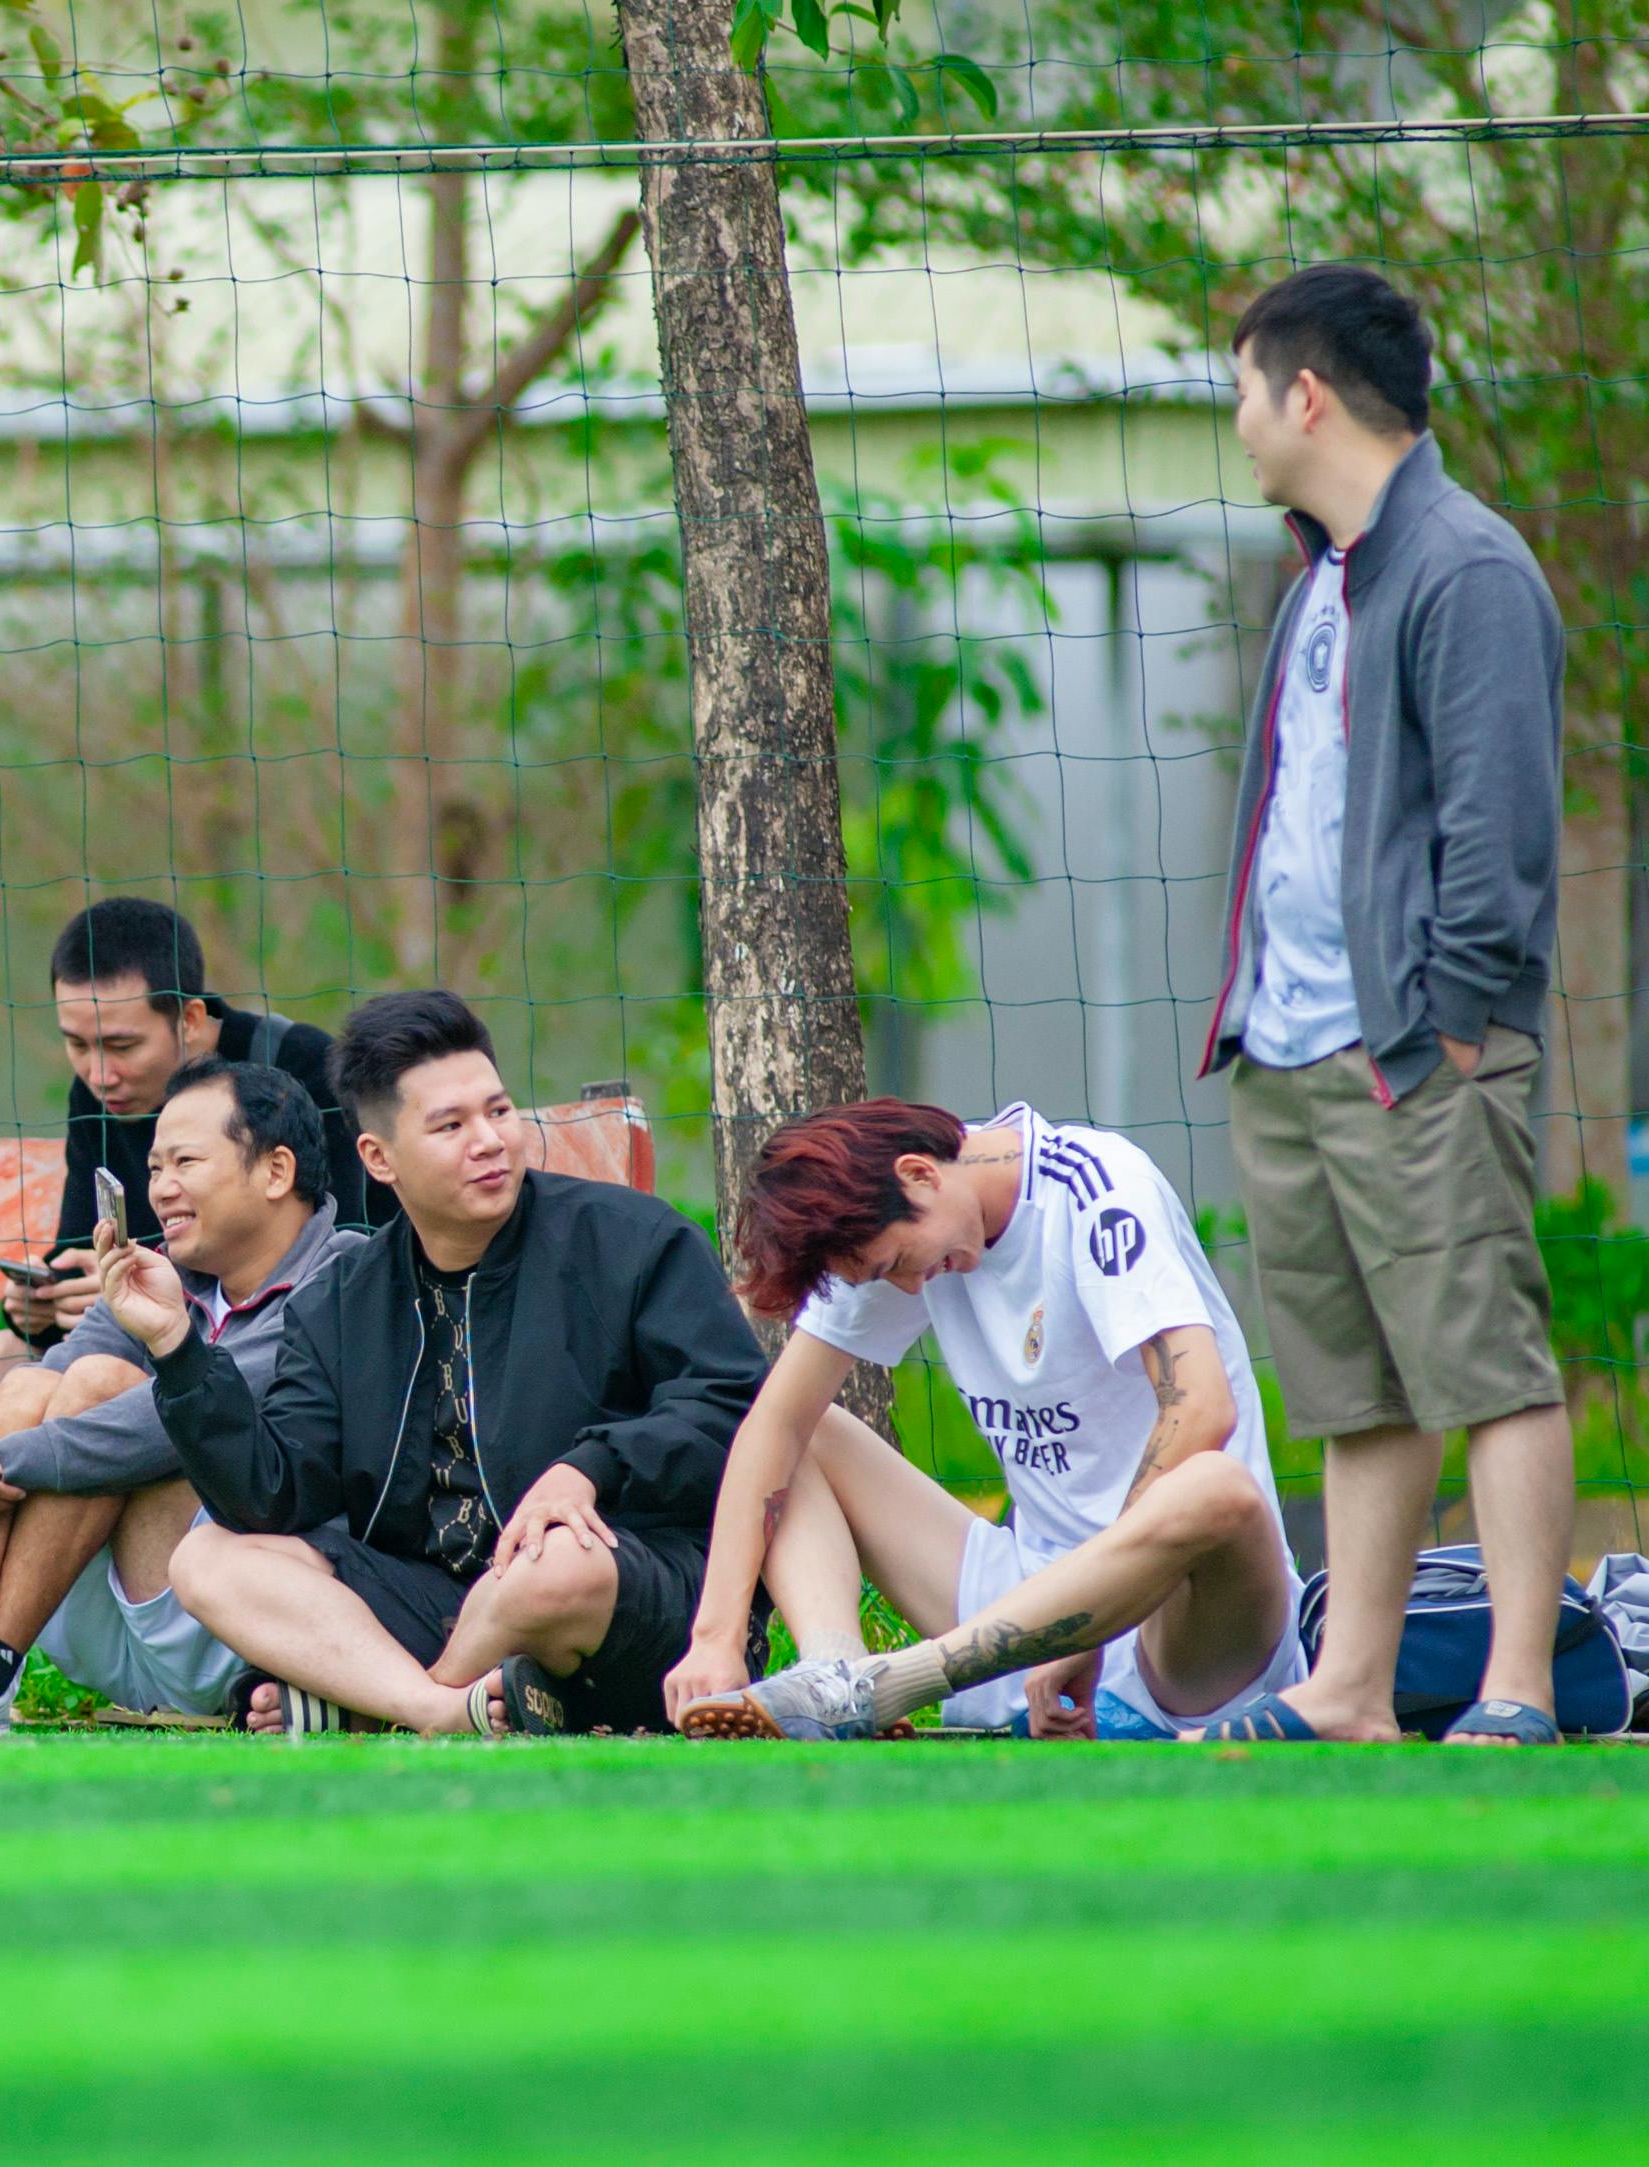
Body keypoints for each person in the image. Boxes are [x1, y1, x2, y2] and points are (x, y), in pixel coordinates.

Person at [1198, 264, 1573, 1746]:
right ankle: (1349, 1684)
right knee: (1358, 1391)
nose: (1236, 420)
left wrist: (1450, 1031)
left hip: (1413, 1053)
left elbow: (1498, 830)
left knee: (1488, 1363)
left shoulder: (1467, 570)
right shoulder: (1320, 581)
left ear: (1305, 395)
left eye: (1242, 389)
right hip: (1289, 1052)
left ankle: (1518, 1686)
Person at [100, 989, 764, 1735]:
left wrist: (590, 1467)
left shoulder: (631, 1239)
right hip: (434, 1599)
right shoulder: (341, 1302)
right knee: (207, 1559)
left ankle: (387, 1699)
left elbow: (731, 1403)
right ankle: (444, 1707)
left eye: (498, 1111)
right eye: (451, 1125)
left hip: (623, 1588)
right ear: (378, 1157)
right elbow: (273, 1497)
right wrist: (177, 1347)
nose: (489, 1141)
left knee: (552, 1568)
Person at [665, 1101, 1306, 1743]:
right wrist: (715, 1637)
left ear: (919, 1174)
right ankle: (835, 1678)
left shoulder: (1099, 1187)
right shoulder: (903, 1226)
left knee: (1214, 1486)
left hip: (1187, 1634)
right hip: (1022, 1618)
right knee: (806, 1433)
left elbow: (1203, 1407)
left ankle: (890, 1685)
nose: (907, 1289)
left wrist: (1087, 1624)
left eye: (895, 1263)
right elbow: (775, 1424)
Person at [0, 1059, 364, 1732]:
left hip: (241, 1623)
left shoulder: (341, 1274)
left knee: (105, 1386)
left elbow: (158, 1425)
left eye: (185, 1162)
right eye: (155, 1168)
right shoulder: (168, 1269)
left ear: (277, 1171)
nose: (160, 1188)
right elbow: (53, 1370)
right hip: (117, 1618)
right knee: (31, 1379)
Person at [0, 897, 376, 1384]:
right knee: (1, 1353)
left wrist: (139, 1287)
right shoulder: (95, 1096)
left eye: (122, 1046)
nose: (99, 1074)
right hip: (131, 1326)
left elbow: (343, 1246)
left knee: (94, 1381)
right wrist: (43, 1303)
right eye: (77, 1044)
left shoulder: (302, 1066)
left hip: (274, 1333)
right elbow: (78, 1244)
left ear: (189, 1019)